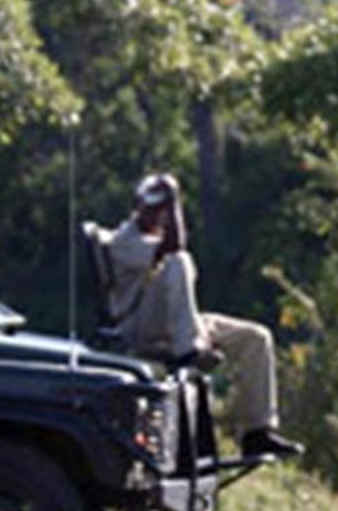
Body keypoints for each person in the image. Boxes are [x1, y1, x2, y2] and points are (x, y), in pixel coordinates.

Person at [104, 172, 300, 459]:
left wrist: (174, 202)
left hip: (177, 322)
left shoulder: (157, 235)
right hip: (140, 326)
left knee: (256, 338)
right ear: (138, 208)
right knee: (179, 261)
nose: (159, 216)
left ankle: (258, 432)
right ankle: (189, 348)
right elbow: (174, 247)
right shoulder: (125, 240)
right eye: (154, 209)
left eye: (163, 210)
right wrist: (173, 200)